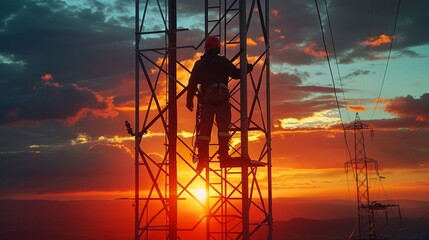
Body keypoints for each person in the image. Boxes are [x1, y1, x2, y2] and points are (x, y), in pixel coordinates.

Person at [186, 36, 253, 172]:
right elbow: (236, 74)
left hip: (207, 101)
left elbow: (192, 83)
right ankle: (223, 154)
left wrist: (189, 100)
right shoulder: (222, 61)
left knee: (204, 131)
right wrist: (248, 68)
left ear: (206, 49)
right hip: (221, 98)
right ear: (217, 48)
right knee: (223, 129)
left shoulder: (199, 64)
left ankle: (203, 158)